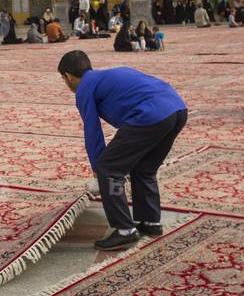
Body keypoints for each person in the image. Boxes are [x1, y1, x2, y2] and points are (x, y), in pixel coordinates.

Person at [59, 50, 187, 251]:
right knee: (144, 168)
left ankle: (125, 230)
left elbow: (92, 130)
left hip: (150, 115)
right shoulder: (107, 76)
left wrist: (98, 168)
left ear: (68, 76)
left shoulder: (84, 87)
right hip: (177, 109)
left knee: (109, 169)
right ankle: (150, 222)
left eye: (64, 80)